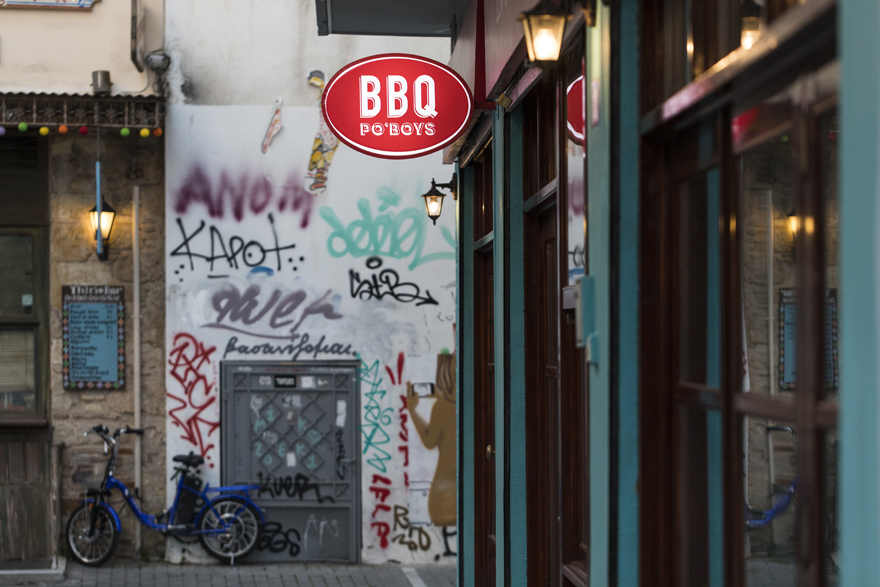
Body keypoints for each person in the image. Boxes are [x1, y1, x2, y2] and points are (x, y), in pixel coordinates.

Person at [406, 354, 456, 527]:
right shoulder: (473, 406)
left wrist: (412, 410)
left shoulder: (441, 407)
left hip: (442, 492)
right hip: (470, 491)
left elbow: (429, 442)